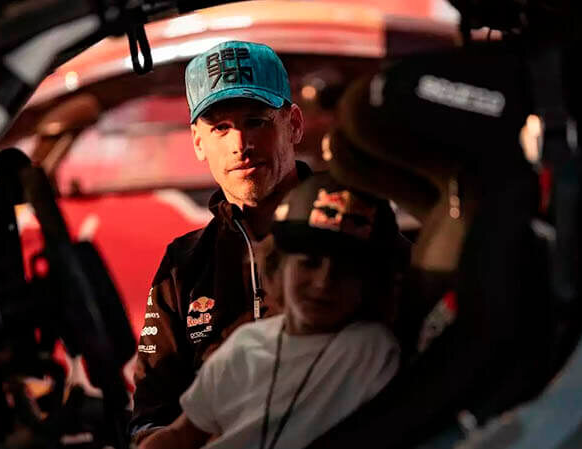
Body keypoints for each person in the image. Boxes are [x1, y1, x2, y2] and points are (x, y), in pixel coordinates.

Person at [138, 173, 401, 449]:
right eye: (309, 263)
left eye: (344, 270)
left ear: (371, 284)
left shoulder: (372, 349)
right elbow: (181, 435)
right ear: (277, 268)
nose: (323, 281)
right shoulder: (245, 345)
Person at [130, 41, 309, 442]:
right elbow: (151, 410)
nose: (239, 144)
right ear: (198, 142)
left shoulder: (354, 229)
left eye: (256, 121)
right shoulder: (183, 263)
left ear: (294, 124)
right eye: (221, 128)